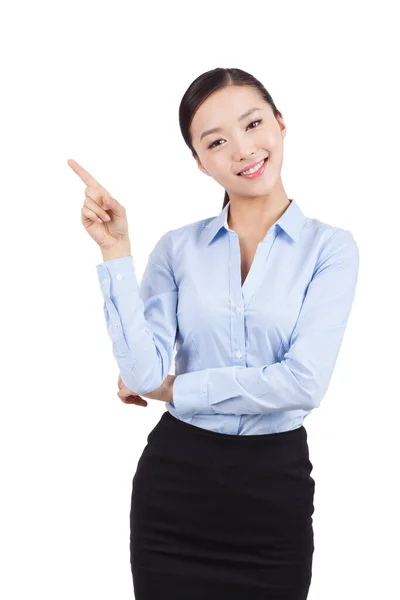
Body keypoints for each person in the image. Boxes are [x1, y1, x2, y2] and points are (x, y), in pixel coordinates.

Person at [67, 67, 360, 599]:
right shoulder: (176, 249)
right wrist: (115, 250)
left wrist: (179, 389)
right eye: (217, 142)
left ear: (280, 124)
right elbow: (140, 373)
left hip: (274, 493)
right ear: (200, 163)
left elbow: (303, 383)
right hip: (175, 488)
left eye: (253, 124)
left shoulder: (331, 250)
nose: (243, 150)